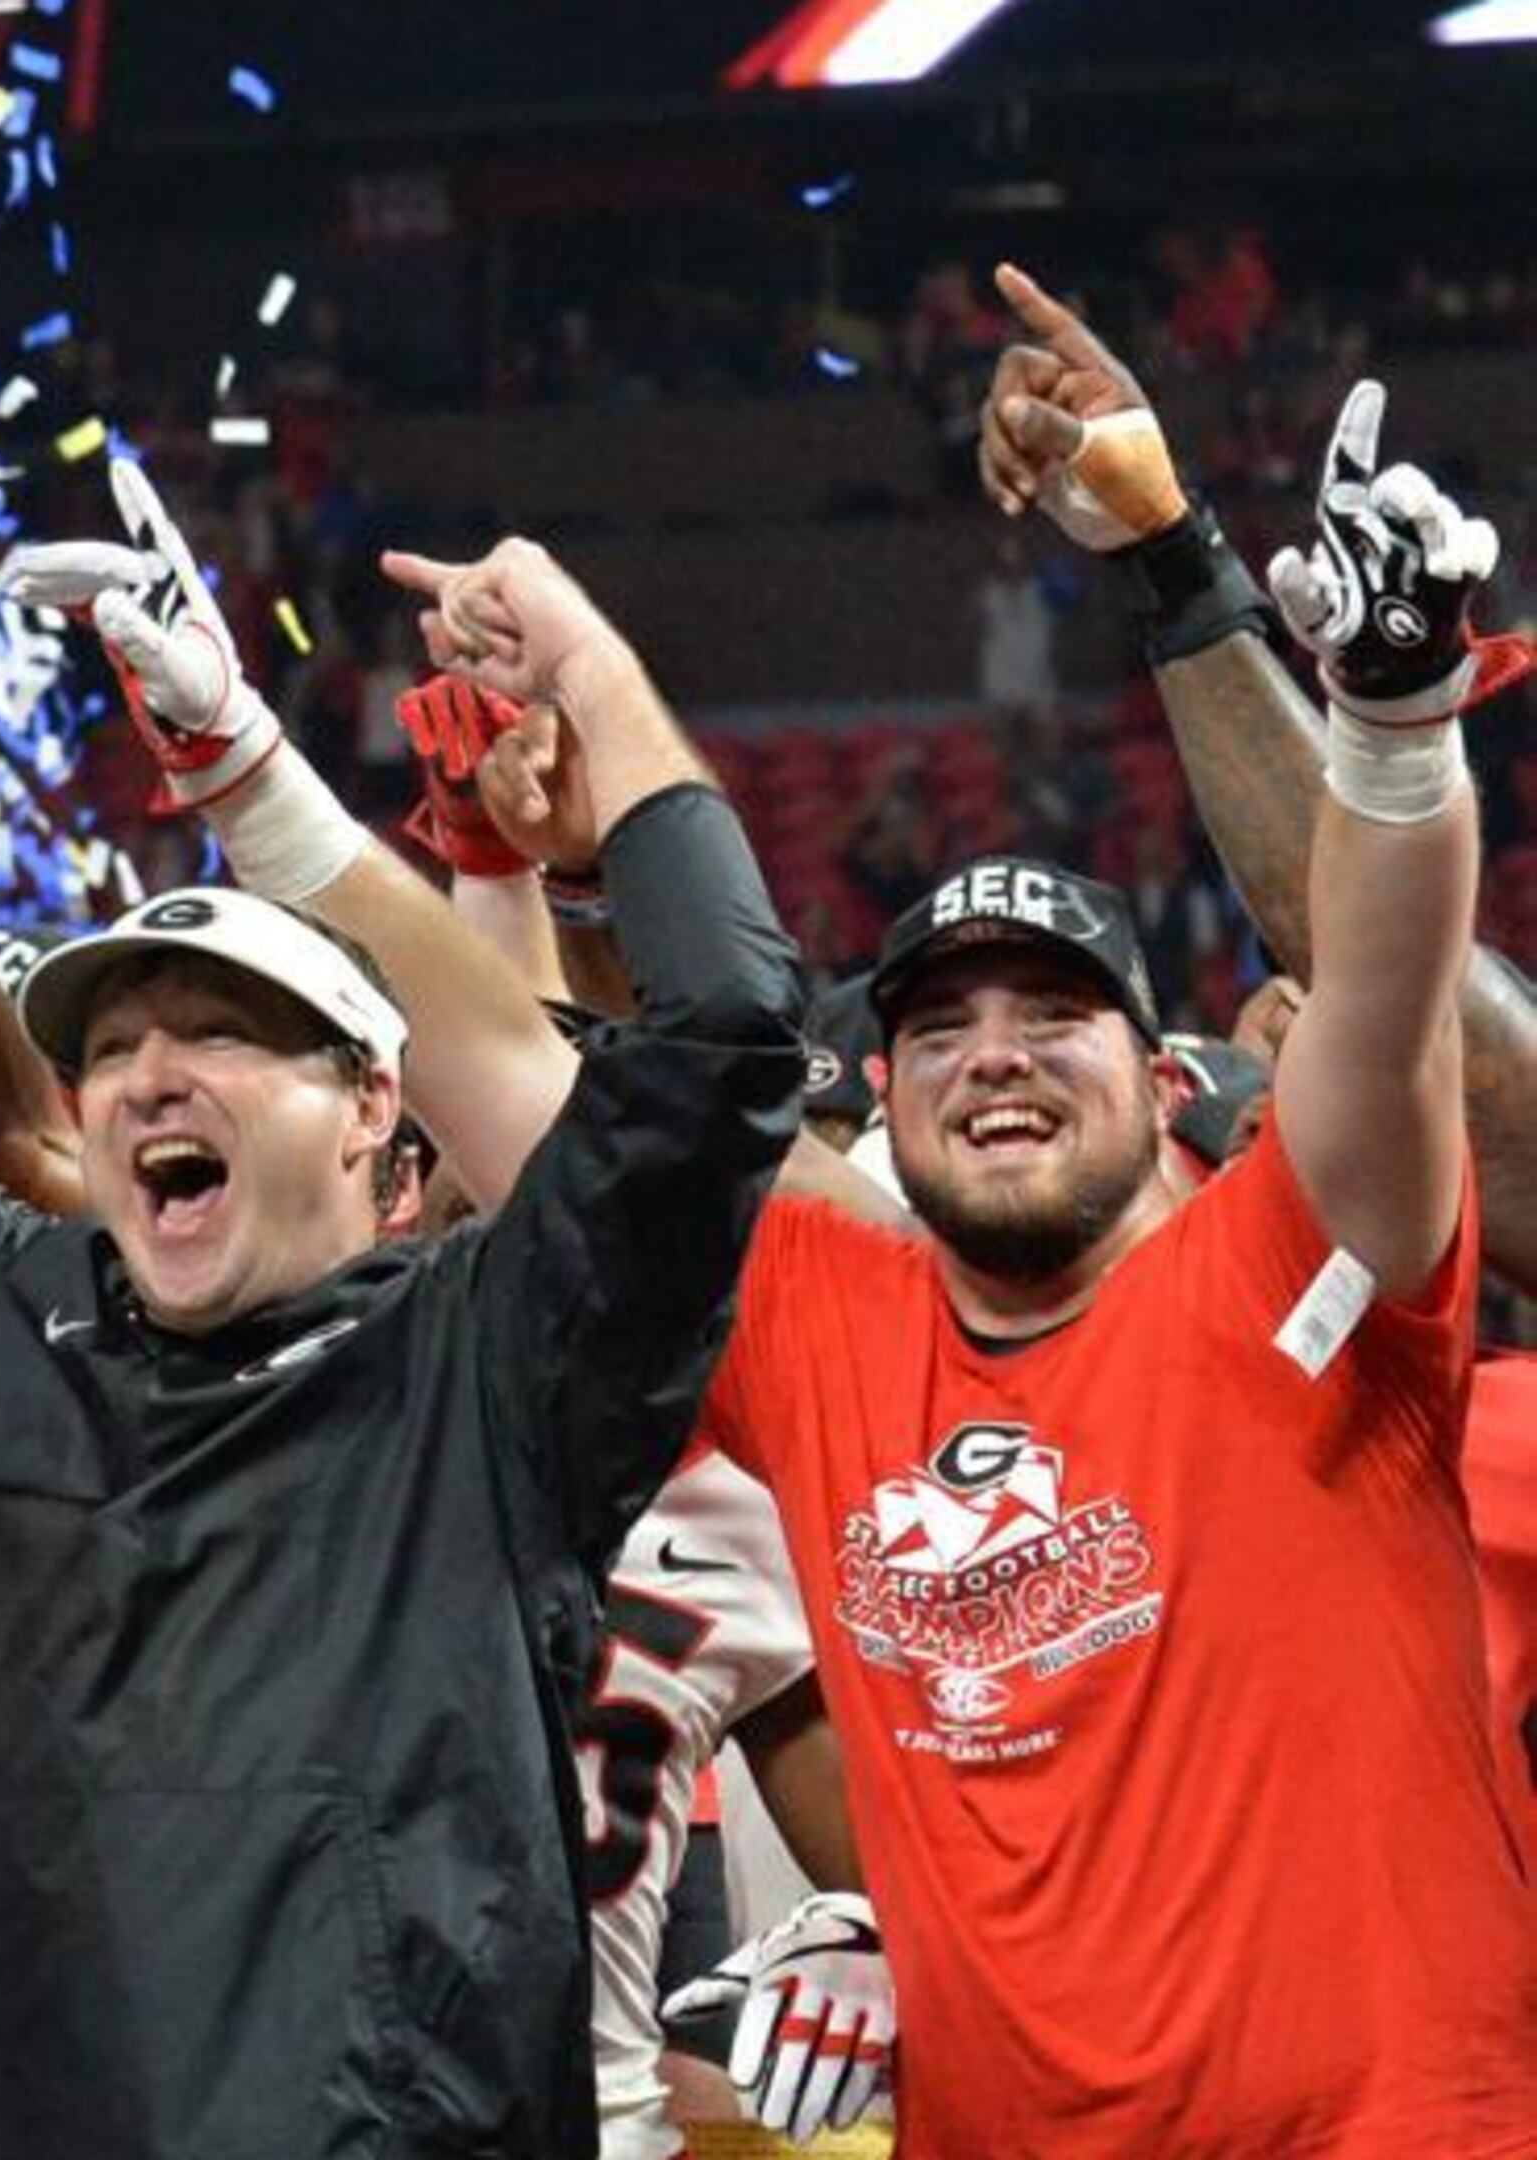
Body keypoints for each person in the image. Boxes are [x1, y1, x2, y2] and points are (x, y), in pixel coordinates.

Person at [0, 524, 809, 2157]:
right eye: (113, 1046)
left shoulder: (497, 1363)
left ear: (370, 1107)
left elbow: (728, 1037)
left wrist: (589, 670)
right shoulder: (23, 1325)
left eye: (219, 1033)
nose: (147, 1073)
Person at [688, 349, 1537, 2155]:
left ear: (1169, 1097)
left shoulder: (1362, 1334)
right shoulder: (871, 1333)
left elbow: (1399, 1026)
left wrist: (1383, 720)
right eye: (939, 1038)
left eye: (1052, 1026)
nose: (992, 1061)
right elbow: (635, 1119)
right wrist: (895, 1933)